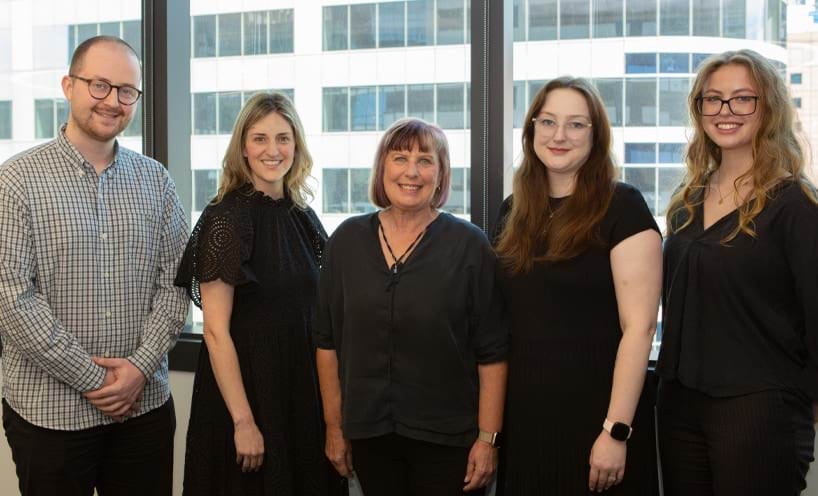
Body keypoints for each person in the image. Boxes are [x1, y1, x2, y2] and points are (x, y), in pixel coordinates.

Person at [0, 36, 189, 495]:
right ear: (69, 85)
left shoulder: (156, 181)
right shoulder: (17, 180)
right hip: (49, 414)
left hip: (143, 412)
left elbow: (179, 283)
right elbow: (12, 297)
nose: (113, 101)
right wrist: (97, 381)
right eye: (100, 85)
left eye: (127, 91)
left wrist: (139, 370)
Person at [313, 117, 508, 496]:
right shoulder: (346, 242)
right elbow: (327, 343)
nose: (412, 172)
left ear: (441, 174)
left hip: (450, 441)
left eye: (426, 160)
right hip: (369, 436)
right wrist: (334, 427)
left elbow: (493, 352)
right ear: (382, 168)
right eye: (400, 158)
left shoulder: (470, 245)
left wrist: (488, 439)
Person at [657, 49, 818, 496]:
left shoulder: (796, 205)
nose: (725, 111)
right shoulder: (687, 201)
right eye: (713, 99)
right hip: (679, 404)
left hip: (760, 409)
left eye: (743, 98)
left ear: (768, 108)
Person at [493, 77, 662, 495]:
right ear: (531, 129)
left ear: (596, 134)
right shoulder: (514, 211)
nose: (559, 135)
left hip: (597, 424)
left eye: (576, 124)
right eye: (547, 121)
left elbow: (639, 328)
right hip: (526, 423)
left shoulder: (623, 206)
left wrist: (616, 431)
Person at [174, 92, 343, 496]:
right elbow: (215, 332)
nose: (273, 150)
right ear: (243, 149)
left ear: (296, 146)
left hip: (301, 392)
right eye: (260, 138)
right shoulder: (226, 217)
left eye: (283, 138)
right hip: (250, 396)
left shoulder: (302, 216)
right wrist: (243, 421)